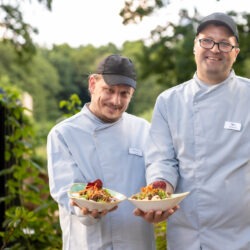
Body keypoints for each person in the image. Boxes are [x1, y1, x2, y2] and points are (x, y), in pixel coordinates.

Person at [137, 12, 250, 250]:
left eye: (224, 43)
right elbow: (162, 160)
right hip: (187, 235)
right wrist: (159, 196)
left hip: (241, 236)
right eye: (207, 41)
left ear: (236, 53)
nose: (215, 49)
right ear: (195, 47)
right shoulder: (169, 101)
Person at [47, 54, 175, 250]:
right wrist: (87, 209)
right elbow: (66, 191)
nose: (116, 100)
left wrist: (160, 198)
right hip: (88, 243)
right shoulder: (64, 133)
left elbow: (159, 170)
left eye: (124, 93)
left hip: (136, 242)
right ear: (92, 84)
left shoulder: (143, 129)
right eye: (109, 90)